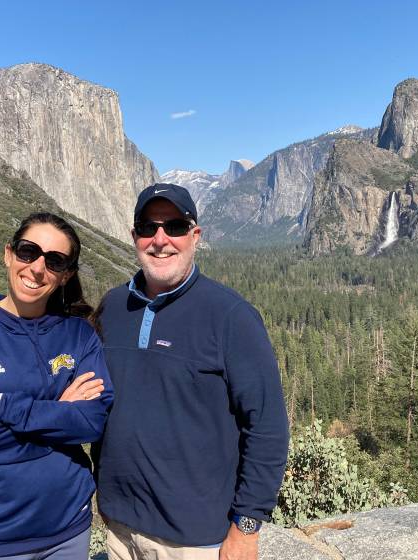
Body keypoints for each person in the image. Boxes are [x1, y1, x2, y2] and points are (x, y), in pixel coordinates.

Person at [93, 183, 289, 560]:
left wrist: (247, 527)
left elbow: (267, 428)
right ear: (134, 236)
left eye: (175, 227)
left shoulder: (231, 316)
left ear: (195, 235)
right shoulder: (113, 308)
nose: (160, 239)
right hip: (119, 530)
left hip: (195, 541)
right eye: (148, 227)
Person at [0, 212, 113, 560]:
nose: (37, 268)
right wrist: (60, 418)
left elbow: (92, 421)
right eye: (28, 251)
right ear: (8, 254)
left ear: (65, 275)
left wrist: (3, 408)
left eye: (55, 260)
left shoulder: (79, 335)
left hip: (69, 530)